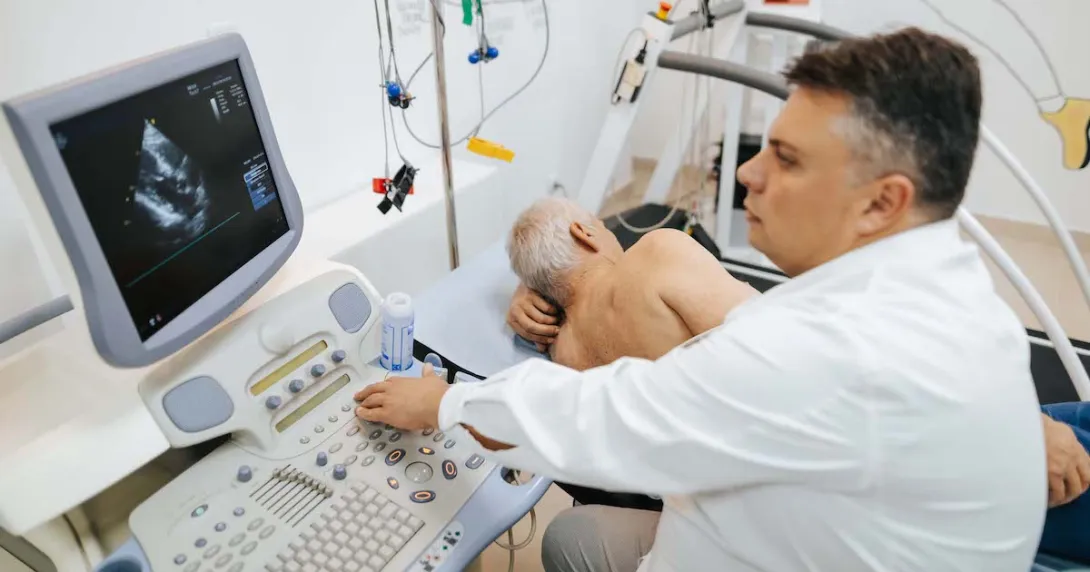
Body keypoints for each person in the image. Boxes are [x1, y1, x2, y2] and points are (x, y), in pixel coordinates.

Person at [355, 27, 1049, 571]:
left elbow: (614, 415)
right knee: (579, 538)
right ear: (586, 233)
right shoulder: (952, 296)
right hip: (822, 526)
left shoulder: (819, 353)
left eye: (786, 157)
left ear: (882, 202)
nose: (747, 172)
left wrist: (444, 402)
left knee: (573, 538)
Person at [503, 196, 758, 368]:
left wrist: (529, 285)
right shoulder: (657, 254)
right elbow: (767, 334)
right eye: (602, 226)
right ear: (584, 233)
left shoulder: (561, 349)